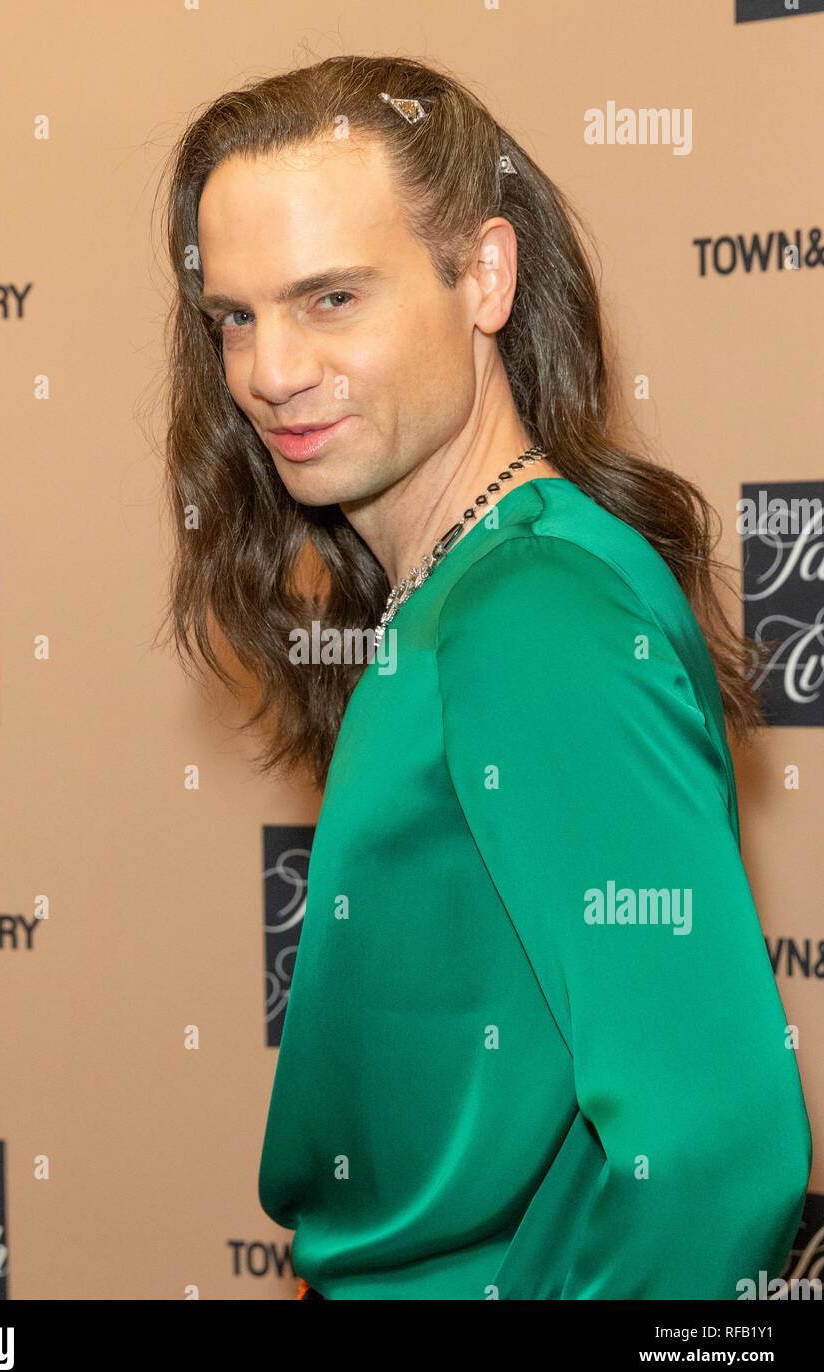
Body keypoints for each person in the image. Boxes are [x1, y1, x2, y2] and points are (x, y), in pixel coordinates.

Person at [159, 55, 812, 1300]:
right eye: (233, 316)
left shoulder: (532, 618)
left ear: (486, 276)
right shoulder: (480, 587)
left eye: (331, 299)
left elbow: (717, 1152)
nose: (270, 371)